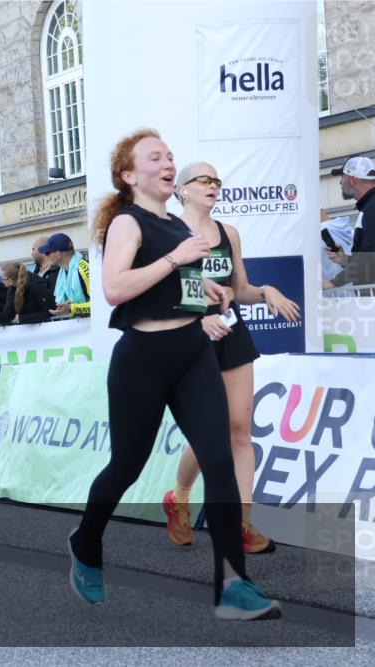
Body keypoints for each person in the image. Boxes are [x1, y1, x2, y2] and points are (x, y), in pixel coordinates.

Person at [68, 129, 280, 621]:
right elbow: (115, 289)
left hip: (192, 352)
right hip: (143, 357)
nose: (167, 163)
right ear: (129, 174)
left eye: (169, 156)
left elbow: (178, 285)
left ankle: (233, 585)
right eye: (154, 157)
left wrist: (207, 288)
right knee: (126, 466)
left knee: (220, 459)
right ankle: (85, 542)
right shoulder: (128, 222)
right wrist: (175, 261)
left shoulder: (182, 231)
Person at [165, 162, 300, 554]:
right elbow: (158, 293)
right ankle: (179, 496)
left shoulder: (229, 233)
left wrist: (267, 292)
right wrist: (197, 321)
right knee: (210, 433)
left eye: (216, 181)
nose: (212, 186)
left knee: (240, 429)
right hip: (190, 336)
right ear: (183, 189)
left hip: (232, 332)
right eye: (203, 180)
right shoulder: (168, 233)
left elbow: (239, 289)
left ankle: (243, 522)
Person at [326, 156, 375, 290]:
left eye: (342, 176)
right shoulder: (368, 206)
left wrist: (334, 282)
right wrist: (346, 260)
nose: (340, 182)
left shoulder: (372, 207)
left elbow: (370, 258)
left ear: (353, 180)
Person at [0, 261, 55, 326]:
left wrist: (23, 318)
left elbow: (52, 311)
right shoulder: (12, 288)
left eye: (2, 278)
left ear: (10, 279)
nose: (0, 280)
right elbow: (6, 317)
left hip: (47, 328)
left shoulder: (36, 286)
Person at [40, 233, 90, 317]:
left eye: (48, 253)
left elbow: (99, 304)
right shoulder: (64, 271)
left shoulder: (83, 269)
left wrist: (71, 308)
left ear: (58, 254)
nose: (46, 256)